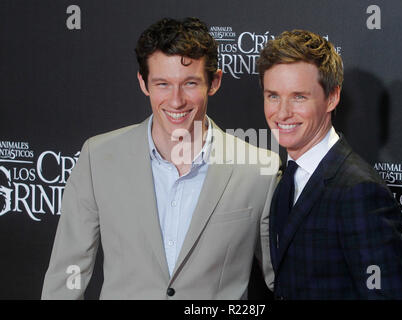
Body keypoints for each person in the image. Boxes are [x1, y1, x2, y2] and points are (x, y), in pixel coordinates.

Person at [41, 17, 279, 299]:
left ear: (214, 82)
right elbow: (69, 270)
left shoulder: (259, 169)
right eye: (162, 84)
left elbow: (282, 278)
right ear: (143, 83)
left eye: (190, 83)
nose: (176, 100)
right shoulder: (98, 157)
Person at [257, 30, 402, 299]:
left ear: (332, 97)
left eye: (299, 97)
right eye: (273, 96)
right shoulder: (288, 174)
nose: (281, 113)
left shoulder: (358, 191)